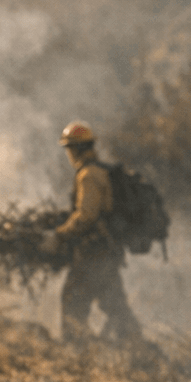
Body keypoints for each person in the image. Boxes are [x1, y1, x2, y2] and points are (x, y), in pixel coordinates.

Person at [40, 121, 142, 342]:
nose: (68, 154)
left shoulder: (88, 175)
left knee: (72, 301)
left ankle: (76, 351)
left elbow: (86, 216)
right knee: (115, 303)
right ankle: (136, 345)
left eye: (69, 148)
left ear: (75, 149)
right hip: (107, 252)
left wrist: (59, 235)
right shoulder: (101, 171)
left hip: (92, 254)